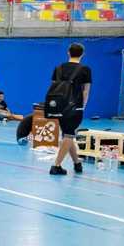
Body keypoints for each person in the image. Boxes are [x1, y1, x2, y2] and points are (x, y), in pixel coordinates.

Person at [49, 42, 92, 175]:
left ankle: (77, 163)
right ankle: (56, 165)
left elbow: (53, 87)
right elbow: (86, 91)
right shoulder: (85, 69)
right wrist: (83, 106)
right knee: (69, 135)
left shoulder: (58, 68)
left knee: (68, 133)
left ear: (68, 52)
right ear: (83, 54)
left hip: (58, 106)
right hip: (75, 106)